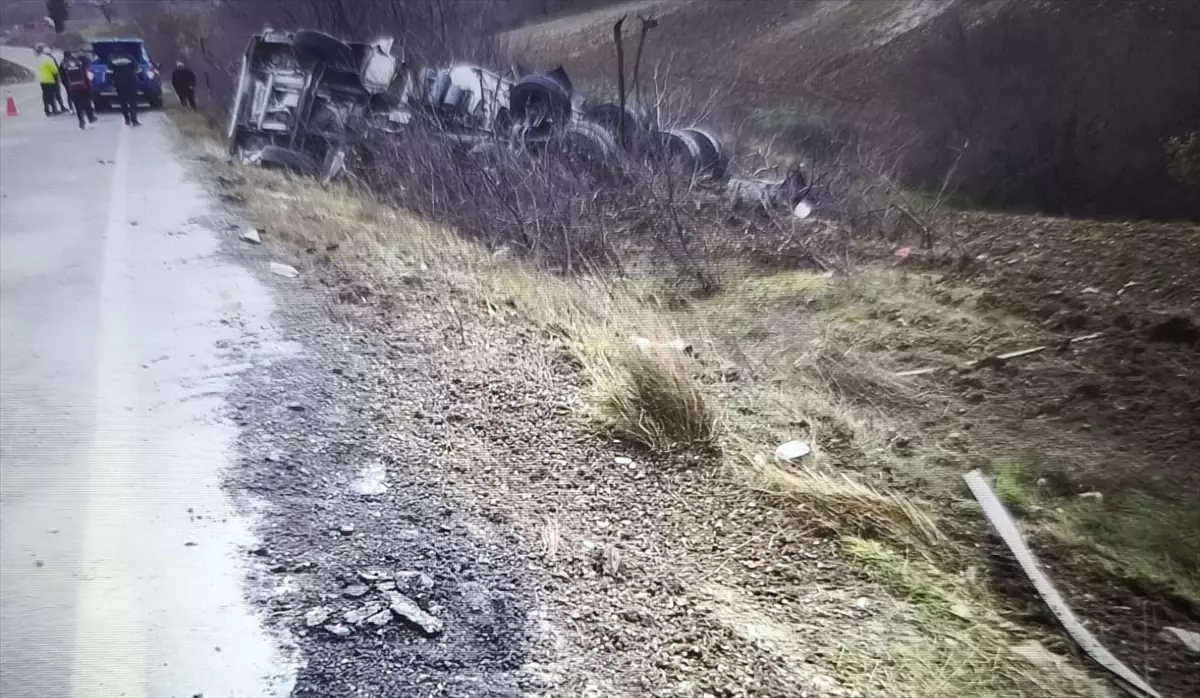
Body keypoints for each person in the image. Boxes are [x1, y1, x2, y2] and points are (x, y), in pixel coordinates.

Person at [59, 51, 97, 129]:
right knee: (87, 102)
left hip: (72, 88)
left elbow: (63, 78)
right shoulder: (79, 63)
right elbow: (86, 75)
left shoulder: (63, 65)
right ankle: (91, 118)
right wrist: (88, 87)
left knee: (77, 105)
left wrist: (67, 86)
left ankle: (81, 122)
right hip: (83, 86)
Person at [107, 46, 140, 126]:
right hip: (131, 82)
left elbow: (109, 73)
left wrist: (110, 84)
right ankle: (134, 121)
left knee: (123, 102)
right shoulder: (130, 56)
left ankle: (127, 119)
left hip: (119, 83)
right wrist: (140, 79)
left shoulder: (111, 58)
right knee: (132, 102)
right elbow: (137, 70)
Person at [36, 46, 61, 116]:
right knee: (52, 96)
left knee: (45, 96)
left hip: (42, 80)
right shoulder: (49, 59)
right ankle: (54, 110)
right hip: (50, 80)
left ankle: (47, 111)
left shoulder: (39, 59)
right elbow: (55, 70)